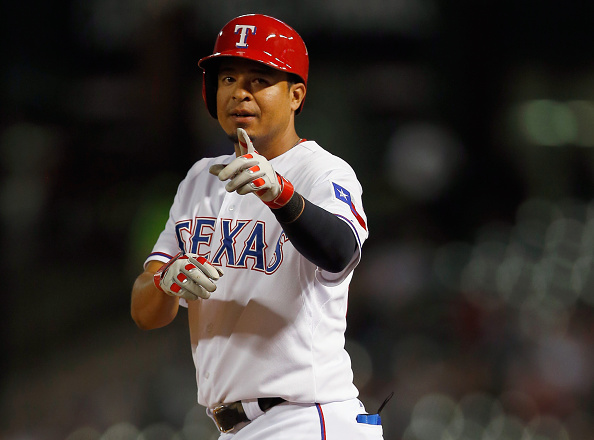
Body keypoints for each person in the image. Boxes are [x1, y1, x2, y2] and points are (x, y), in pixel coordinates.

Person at [131, 13, 385, 439]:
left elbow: (341, 252)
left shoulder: (323, 172)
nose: (239, 93)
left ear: (296, 95)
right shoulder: (200, 179)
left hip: (306, 417)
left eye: (259, 79)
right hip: (234, 428)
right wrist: (165, 282)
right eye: (228, 78)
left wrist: (280, 194)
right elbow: (145, 313)